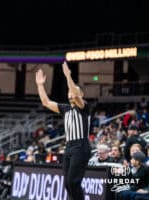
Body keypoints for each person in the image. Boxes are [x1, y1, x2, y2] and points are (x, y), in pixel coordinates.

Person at [36, 61, 91, 200]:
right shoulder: (65, 109)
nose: (71, 94)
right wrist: (40, 85)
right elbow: (45, 102)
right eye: (69, 92)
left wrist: (68, 76)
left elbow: (76, 95)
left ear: (81, 94)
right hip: (69, 147)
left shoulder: (83, 107)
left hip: (81, 146)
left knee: (73, 182)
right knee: (67, 183)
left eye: (74, 91)